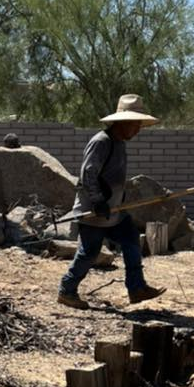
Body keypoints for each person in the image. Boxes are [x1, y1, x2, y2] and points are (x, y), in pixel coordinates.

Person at [58, 94, 166, 310]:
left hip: (114, 211)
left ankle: (136, 288)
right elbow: (88, 173)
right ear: (123, 122)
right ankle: (67, 290)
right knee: (89, 254)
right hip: (94, 211)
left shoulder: (120, 144)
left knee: (131, 238)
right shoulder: (101, 142)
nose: (138, 129)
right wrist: (98, 201)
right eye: (136, 124)